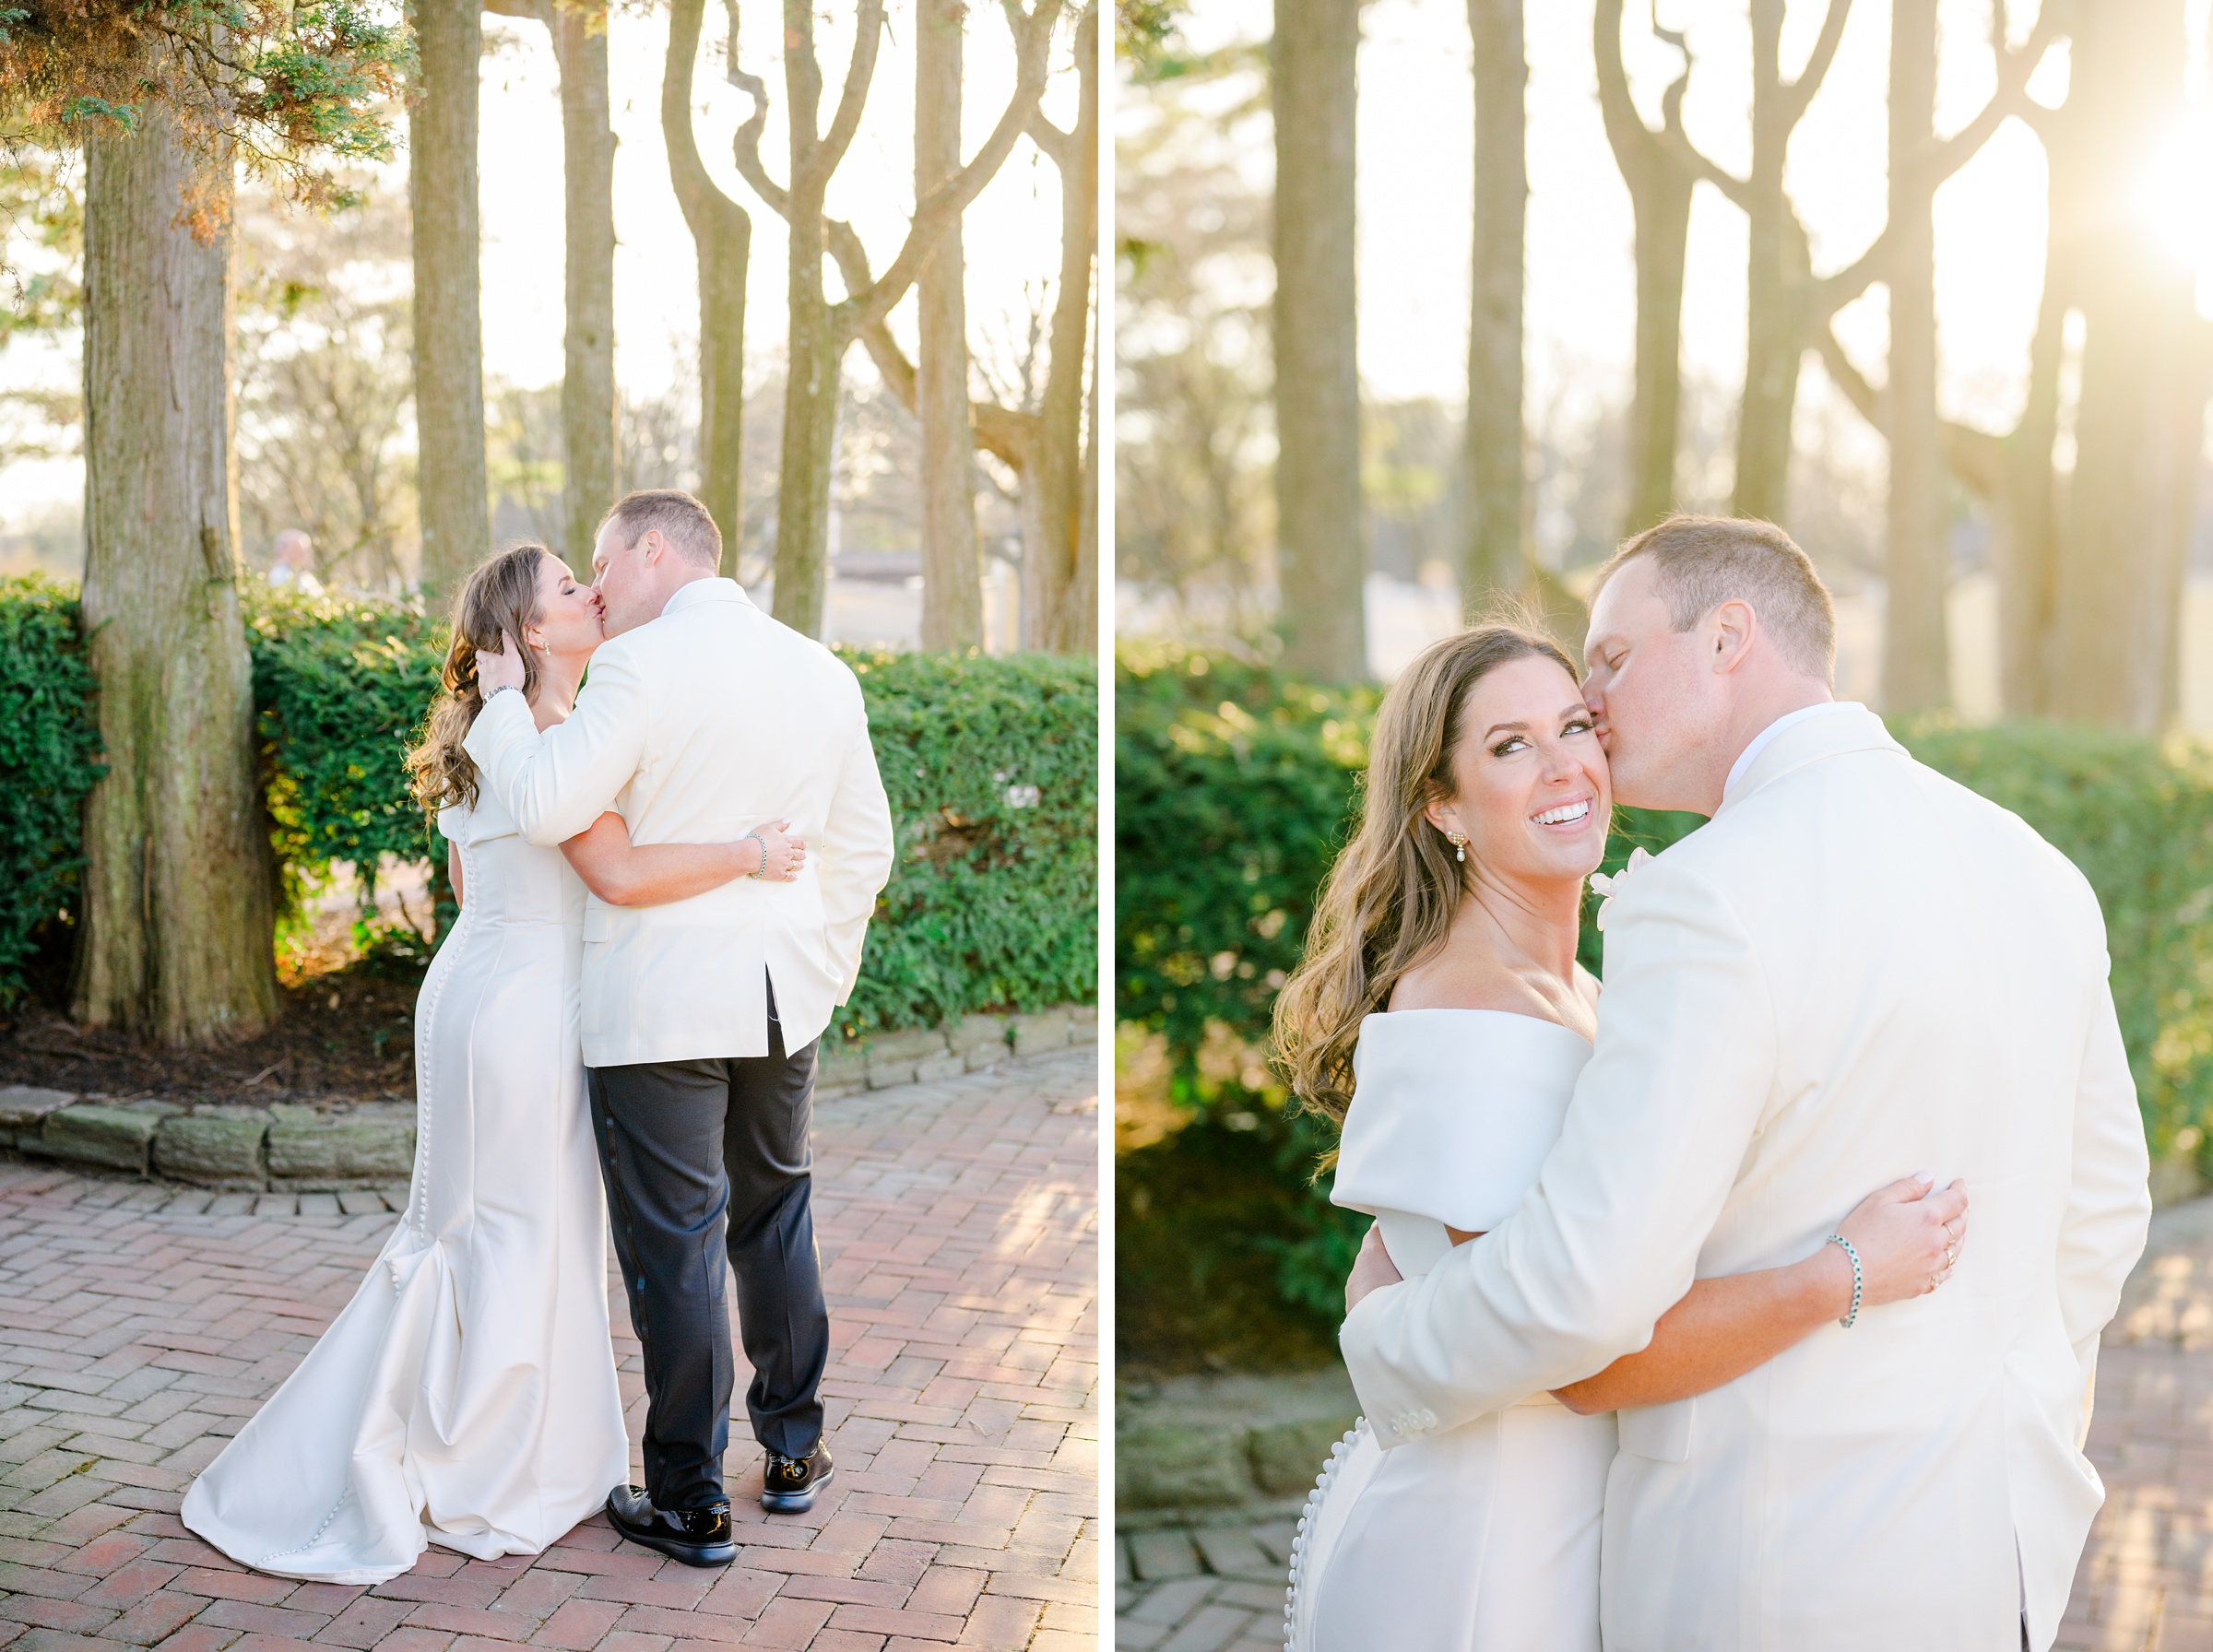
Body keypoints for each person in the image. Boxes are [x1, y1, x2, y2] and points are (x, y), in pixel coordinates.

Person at [1331, 517, 2151, 1651]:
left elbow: (1585, 1294)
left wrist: (1386, 1339)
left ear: (1727, 637)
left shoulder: (1709, 896)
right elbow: (2104, 1211)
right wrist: (2017, 1415)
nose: (1598, 710)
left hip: (1766, 1569)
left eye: (1608, 663)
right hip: (2002, 1547)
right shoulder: (2036, 867)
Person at [1274, 620, 1968, 1652]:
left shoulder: (1581, 993)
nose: (1565, 766)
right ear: (1442, 804)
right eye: (1509, 746)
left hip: (1576, 1522)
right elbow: (1575, 1360)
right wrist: (1846, 1271)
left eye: (1572, 726)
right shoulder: (1473, 1010)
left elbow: (1445, 1264)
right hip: (1483, 1566)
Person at [181, 541, 808, 1584]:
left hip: (468, 990)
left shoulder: (485, 733)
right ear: (528, 633)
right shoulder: (554, 735)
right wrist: (751, 852)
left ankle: (464, 1430)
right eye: (568, 589)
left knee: (467, 1221)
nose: (589, 592)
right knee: (525, 1226)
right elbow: (614, 873)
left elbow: (473, 891)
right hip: (528, 1011)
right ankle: (487, 1458)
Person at [467, 490, 895, 1568]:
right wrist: (822, 969)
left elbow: (554, 804)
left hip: (658, 1004)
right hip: (778, 997)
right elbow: (866, 849)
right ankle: (795, 1450)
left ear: (656, 549)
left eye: (605, 564)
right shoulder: (823, 671)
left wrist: (507, 704)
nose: (598, 588)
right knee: (776, 1214)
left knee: (678, 1244)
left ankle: (691, 1497)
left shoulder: (638, 666)